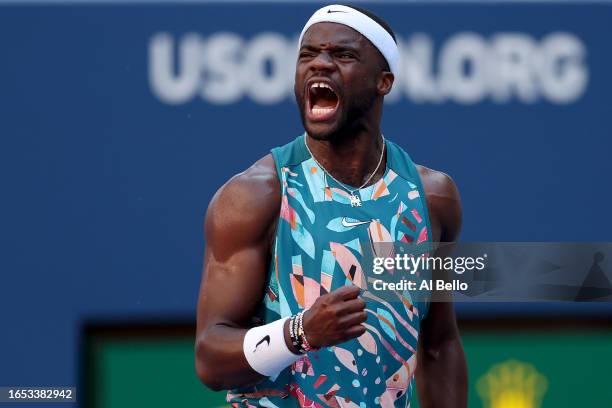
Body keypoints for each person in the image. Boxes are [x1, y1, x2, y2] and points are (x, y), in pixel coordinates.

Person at [195, 4, 467, 407]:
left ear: (384, 81)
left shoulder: (432, 198)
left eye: (342, 55)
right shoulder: (255, 195)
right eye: (308, 55)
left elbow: (439, 345)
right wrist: (299, 333)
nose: (319, 64)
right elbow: (210, 361)